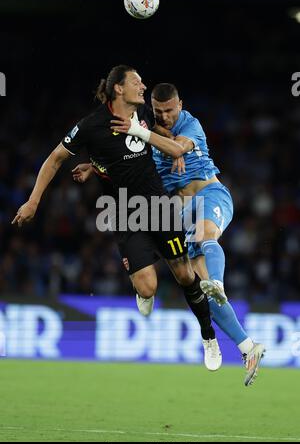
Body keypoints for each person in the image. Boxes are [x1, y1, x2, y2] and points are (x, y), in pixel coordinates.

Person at [12, 65, 221, 371]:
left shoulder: (144, 117)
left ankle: (209, 338)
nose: (143, 85)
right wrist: (33, 200)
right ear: (119, 89)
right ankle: (142, 287)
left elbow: (161, 138)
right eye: (137, 82)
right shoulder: (91, 126)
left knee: (187, 277)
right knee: (148, 287)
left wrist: (177, 153)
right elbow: (55, 158)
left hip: (160, 206)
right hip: (126, 212)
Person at [150, 83, 265, 386]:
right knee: (204, 297)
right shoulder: (153, 138)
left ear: (180, 105)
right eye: (158, 112)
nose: (165, 116)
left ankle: (218, 281)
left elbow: (179, 146)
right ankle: (248, 348)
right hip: (183, 212)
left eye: (170, 110)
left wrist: (163, 139)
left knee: (205, 237)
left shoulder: (190, 123)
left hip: (211, 194)